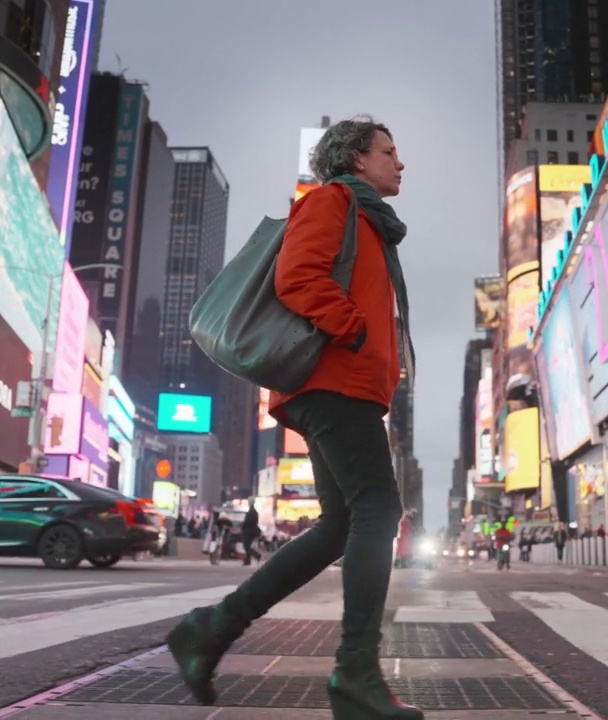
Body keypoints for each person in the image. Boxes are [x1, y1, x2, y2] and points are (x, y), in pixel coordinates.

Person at [164, 117, 421, 718]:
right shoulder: (331, 202)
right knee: (379, 510)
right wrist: (353, 330)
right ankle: (355, 671)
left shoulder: (368, 222)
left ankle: (211, 630)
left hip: (344, 386)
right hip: (334, 383)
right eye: (389, 151)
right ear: (356, 159)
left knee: (340, 526)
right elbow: (296, 277)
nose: (400, 162)